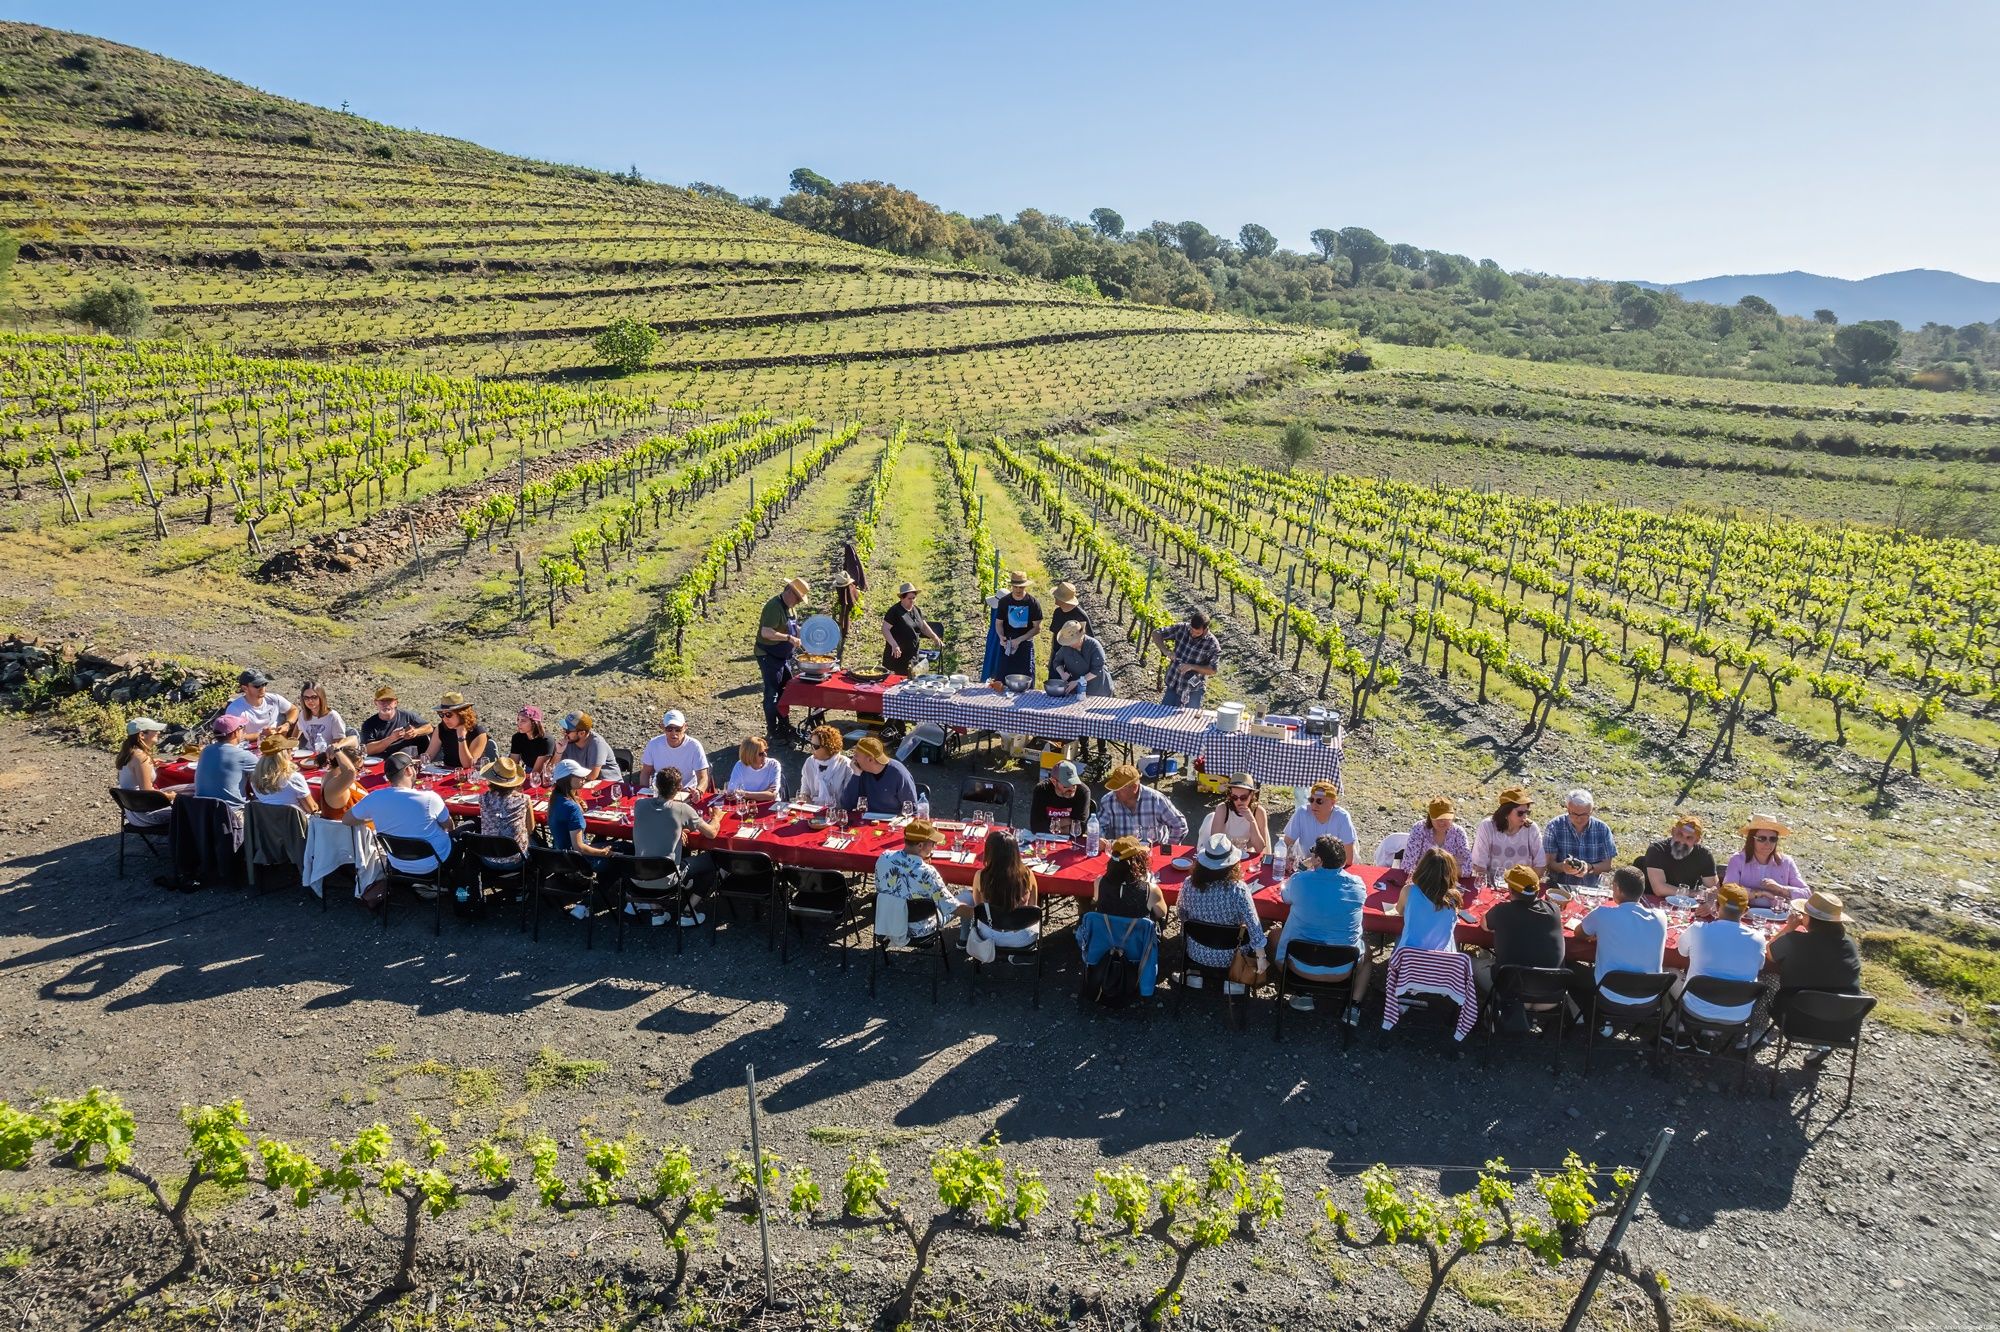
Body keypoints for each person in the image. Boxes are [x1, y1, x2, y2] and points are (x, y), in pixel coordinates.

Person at [1275, 835, 1371, 1018]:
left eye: (1313, 853)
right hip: (1343, 969)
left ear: (1318, 859)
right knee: (1368, 952)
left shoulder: (1300, 880)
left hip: (1300, 964)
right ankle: (1354, 1007)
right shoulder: (1358, 885)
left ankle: (1299, 991)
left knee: (1274, 936)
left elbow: (1285, 896)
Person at [1769, 891, 1863, 1065]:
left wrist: (1789, 928)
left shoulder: (1794, 940)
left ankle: (1757, 1031)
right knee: (1825, 993)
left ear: (1809, 918)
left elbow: (1770, 953)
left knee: (1771, 980)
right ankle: (1821, 1046)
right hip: (1842, 1024)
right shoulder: (1849, 944)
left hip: (1796, 1021)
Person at [631, 765, 722, 926]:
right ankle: (688, 912)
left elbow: (656, 823)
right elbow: (712, 833)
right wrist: (717, 817)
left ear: (656, 785)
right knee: (713, 860)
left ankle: (656, 910)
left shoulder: (640, 805)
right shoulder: (682, 809)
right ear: (680, 788)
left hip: (638, 878)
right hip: (667, 880)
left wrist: (679, 829)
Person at [349, 751, 456, 884]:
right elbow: (450, 827)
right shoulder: (429, 798)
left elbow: (347, 819)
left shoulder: (375, 797)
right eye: (414, 766)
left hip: (398, 864)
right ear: (408, 770)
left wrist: (375, 816)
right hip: (433, 865)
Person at [1178, 834, 1267, 993]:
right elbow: (1254, 926)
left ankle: (1196, 975)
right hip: (1231, 957)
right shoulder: (1238, 889)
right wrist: (1261, 957)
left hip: (1196, 951)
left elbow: (1181, 914)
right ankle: (1233, 981)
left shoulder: (1188, 884)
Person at [1676, 882, 1767, 1039]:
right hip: (1738, 1013)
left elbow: (1682, 952)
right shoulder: (1759, 939)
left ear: (1716, 906)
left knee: (1669, 970)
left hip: (1697, 1008)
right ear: (1745, 911)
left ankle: (1680, 1030)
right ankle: (1708, 1035)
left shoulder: (1699, 929)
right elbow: (1760, 966)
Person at [1475, 865, 1566, 1009]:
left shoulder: (1502, 911)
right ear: (1538, 890)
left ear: (1510, 890)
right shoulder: (1554, 910)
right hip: (1550, 997)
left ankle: (1491, 1008)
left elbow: (1484, 925)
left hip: (1512, 994)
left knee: (1472, 963)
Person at [1574, 867, 1668, 1003]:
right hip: (1648, 997)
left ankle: (1581, 1016)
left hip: (1609, 994)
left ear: (1616, 888)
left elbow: (1578, 933)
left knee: (1570, 968)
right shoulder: (1661, 917)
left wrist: (1594, 935)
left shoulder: (1603, 914)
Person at [873, 818, 969, 937]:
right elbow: (952, 907)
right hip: (917, 930)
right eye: (933, 843)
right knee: (967, 896)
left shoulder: (884, 857)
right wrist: (983, 914)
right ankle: (967, 939)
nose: (935, 846)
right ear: (920, 845)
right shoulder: (927, 872)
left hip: (887, 924)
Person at [968, 828, 1041, 950]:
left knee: (966, 895)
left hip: (990, 936)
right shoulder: (1028, 874)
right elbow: (1032, 908)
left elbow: (979, 908)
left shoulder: (981, 876)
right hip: (1023, 936)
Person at [755, 576, 809, 737]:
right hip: (768, 655)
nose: (799, 602)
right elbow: (766, 632)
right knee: (772, 693)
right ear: (790, 592)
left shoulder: (791, 607)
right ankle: (773, 731)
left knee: (785, 690)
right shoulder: (774, 607)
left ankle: (784, 725)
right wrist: (788, 638)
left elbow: (793, 627)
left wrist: (805, 635)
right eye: (798, 598)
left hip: (782, 657)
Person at [1396, 849, 1477, 953]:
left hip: (1410, 959)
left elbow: (1399, 910)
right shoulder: (1454, 898)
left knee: (1399, 938)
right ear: (1450, 873)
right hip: (1442, 961)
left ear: (1421, 868)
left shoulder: (1408, 890)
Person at [1722, 814, 1809, 906]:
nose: (1768, 843)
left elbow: (1807, 894)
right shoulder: (1738, 860)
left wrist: (1780, 889)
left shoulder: (1787, 862)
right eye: (1761, 839)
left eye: (1773, 839)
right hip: (1744, 913)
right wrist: (1760, 893)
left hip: (1778, 915)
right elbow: (1727, 890)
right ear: (1751, 840)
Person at [1094, 762, 1189, 843]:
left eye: (1119, 789)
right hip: (1122, 854)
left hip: (1152, 853)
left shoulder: (1156, 800)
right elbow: (1098, 826)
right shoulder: (1108, 801)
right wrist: (1100, 840)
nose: (1115, 792)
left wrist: (1167, 848)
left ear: (1134, 787)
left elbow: (1179, 825)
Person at [1469, 788, 1542, 890]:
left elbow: (1541, 864)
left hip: (1522, 888)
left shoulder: (1531, 829)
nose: (1525, 816)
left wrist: (1524, 888)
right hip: (1492, 886)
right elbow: (1479, 865)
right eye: (1520, 813)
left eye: (1527, 812)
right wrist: (1490, 888)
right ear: (1506, 812)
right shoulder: (1487, 826)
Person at [1545, 789, 1617, 890]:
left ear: (1591, 811)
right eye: (1574, 814)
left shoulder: (1602, 829)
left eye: (1584, 815)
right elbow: (1549, 864)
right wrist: (1563, 867)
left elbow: (1607, 866)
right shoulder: (1554, 826)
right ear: (1567, 809)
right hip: (1559, 887)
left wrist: (1589, 868)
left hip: (1592, 888)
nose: (1579, 819)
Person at [475, 756, 532, 873]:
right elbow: (530, 829)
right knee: (538, 843)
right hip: (516, 860)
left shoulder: (483, 798)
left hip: (488, 859)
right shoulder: (524, 799)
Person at [115, 718, 177, 827]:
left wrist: (150, 765)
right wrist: (171, 796)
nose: (158, 732)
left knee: (185, 793)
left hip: (132, 812)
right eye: (155, 730)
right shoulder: (141, 757)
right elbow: (148, 793)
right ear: (142, 735)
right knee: (193, 810)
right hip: (145, 815)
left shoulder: (129, 753)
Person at [1282, 780, 1358, 868]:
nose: (1314, 805)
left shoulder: (1342, 817)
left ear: (1333, 802)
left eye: (1319, 801)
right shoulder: (1302, 813)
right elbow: (1286, 844)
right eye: (1311, 800)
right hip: (1306, 864)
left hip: (1335, 867)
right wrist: (1286, 858)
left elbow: (1348, 859)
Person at [1153, 611, 1220, 709]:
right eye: (1191, 630)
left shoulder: (1212, 645)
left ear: (1205, 629)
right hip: (1173, 683)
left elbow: (1213, 670)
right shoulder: (1182, 628)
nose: (1193, 634)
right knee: (1163, 715)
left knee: (1188, 720)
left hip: (1193, 689)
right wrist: (1166, 651)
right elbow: (1156, 633)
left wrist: (1192, 667)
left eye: (1197, 632)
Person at [1640, 814, 1719, 897]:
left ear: (1697, 840)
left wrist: (1709, 899)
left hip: (1686, 905)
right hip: (1653, 902)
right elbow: (1659, 889)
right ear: (1673, 831)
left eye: (1689, 838)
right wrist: (1695, 893)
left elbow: (1714, 890)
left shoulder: (1704, 855)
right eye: (1680, 834)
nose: (1682, 841)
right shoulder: (1657, 849)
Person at [1095, 835, 1167, 923]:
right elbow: (1162, 913)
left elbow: (1099, 902)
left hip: (1106, 935)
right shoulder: (1151, 890)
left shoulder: (1099, 882)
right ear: (1138, 862)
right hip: (1137, 936)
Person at [192, 714, 257, 808]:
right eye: (242, 727)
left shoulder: (206, 751)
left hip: (203, 812)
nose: (244, 731)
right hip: (231, 813)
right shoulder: (243, 756)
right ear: (235, 733)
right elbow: (267, 771)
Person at [880, 582, 944, 676]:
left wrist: (934, 637)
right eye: (909, 598)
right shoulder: (894, 611)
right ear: (902, 598)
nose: (912, 601)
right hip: (897, 656)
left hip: (913, 654)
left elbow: (923, 626)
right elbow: (885, 629)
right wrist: (894, 644)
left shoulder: (916, 610)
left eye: (914, 598)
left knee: (912, 681)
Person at [1200, 774, 1270, 859]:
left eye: (1243, 797)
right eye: (1234, 797)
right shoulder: (1223, 809)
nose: (1238, 801)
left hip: (1246, 856)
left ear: (1251, 795)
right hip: (1224, 856)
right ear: (1230, 795)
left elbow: (1260, 848)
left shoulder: (1258, 812)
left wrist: (1252, 821)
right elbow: (1215, 844)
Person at [989, 572, 1043, 682]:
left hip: (1025, 645)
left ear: (1025, 586)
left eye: (1021, 587)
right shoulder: (1004, 602)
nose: (1018, 590)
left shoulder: (1033, 603)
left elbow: (1037, 628)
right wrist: (1001, 636)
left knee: (1025, 678)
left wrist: (1019, 640)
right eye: (1015, 587)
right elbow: (999, 623)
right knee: (1002, 678)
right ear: (1011, 586)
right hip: (1007, 645)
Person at [845, 736, 919, 816]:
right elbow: (846, 805)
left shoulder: (898, 774)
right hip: (868, 821)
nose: (853, 759)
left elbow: (912, 810)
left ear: (870, 759)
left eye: (856, 755)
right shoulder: (861, 771)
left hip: (893, 823)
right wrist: (856, 775)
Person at [639, 711, 708, 792]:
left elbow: (703, 777)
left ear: (685, 727)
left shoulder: (694, 746)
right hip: (660, 792)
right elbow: (645, 773)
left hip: (686, 792)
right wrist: (644, 792)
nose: (673, 733)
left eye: (678, 729)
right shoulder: (653, 744)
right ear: (663, 727)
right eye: (669, 729)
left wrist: (698, 791)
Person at [251, 732, 318, 812]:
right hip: (294, 823)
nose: (292, 753)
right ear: (285, 753)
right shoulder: (294, 778)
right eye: (290, 750)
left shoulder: (255, 778)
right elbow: (312, 809)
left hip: (267, 823)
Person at [359, 686, 432, 759]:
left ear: (395, 703)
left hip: (408, 759)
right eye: (382, 701)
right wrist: (391, 739)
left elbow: (429, 727)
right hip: (381, 761)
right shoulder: (369, 724)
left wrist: (415, 732)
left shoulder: (407, 716)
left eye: (389, 701)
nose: (385, 704)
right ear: (375, 703)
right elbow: (367, 750)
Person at [1403, 798, 1471, 875]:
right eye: (1437, 817)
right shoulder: (1419, 829)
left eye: (1446, 817)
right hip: (1423, 882)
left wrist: (1425, 865)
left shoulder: (1459, 832)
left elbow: (1468, 868)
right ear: (1430, 817)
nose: (1442, 821)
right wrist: (1451, 863)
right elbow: (1408, 866)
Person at [223, 669, 297, 739]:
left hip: (275, 742)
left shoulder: (274, 699)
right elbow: (233, 736)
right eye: (257, 686)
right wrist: (261, 735)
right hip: (248, 748)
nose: (262, 688)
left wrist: (287, 724)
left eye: (264, 684)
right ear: (245, 688)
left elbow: (293, 709)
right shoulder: (235, 709)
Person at [1050, 620, 1114, 696]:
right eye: (1068, 642)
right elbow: (1057, 662)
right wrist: (1062, 673)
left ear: (1081, 636)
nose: (1070, 645)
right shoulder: (1066, 647)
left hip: (1099, 689)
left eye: (1073, 641)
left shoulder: (1094, 645)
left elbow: (1096, 670)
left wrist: (1077, 682)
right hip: (1078, 690)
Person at [427, 695, 489, 772]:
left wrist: (461, 737)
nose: (444, 719)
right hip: (446, 772)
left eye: (448, 714)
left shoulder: (478, 732)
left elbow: (468, 765)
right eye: (441, 715)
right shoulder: (441, 728)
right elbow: (428, 756)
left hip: (470, 776)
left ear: (462, 714)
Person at [1029, 760, 1091, 836]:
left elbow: (1080, 828)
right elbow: (1036, 827)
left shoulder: (1083, 792)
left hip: (1071, 842)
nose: (1072, 788)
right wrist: (1069, 821)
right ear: (1054, 781)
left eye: (1075, 783)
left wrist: (1053, 826)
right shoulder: (1042, 790)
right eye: (1066, 785)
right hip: (1046, 839)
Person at [797, 726, 854, 808]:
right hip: (813, 812)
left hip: (836, 813)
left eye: (815, 746)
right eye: (811, 745)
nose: (812, 750)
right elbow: (805, 792)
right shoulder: (809, 762)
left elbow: (848, 800)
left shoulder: (846, 766)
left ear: (828, 747)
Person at [555, 711, 620, 782]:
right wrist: (559, 752)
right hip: (584, 783)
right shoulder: (569, 741)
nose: (564, 733)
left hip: (610, 786)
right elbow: (556, 769)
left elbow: (593, 775)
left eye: (567, 731)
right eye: (563, 729)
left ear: (582, 733)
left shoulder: (597, 743)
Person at [316, 738, 367, 821]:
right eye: (359, 768)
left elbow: (354, 739)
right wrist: (337, 751)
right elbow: (350, 772)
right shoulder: (335, 785)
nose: (360, 771)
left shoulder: (334, 775)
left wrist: (337, 746)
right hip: (349, 832)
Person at [724, 736, 784, 803]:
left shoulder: (773, 765)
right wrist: (764, 794)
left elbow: (773, 795)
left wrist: (743, 794)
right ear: (751, 755)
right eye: (761, 753)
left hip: (770, 805)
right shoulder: (740, 766)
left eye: (766, 750)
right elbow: (731, 792)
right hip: (747, 805)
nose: (765, 755)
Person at [296, 682, 346, 751]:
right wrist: (292, 744)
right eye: (306, 698)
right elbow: (298, 727)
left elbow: (340, 740)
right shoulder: (302, 714)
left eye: (314, 697)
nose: (310, 700)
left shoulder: (332, 716)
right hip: (308, 753)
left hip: (328, 755)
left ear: (321, 697)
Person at [509, 705, 553, 778]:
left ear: (534, 723)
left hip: (546, 774)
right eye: (518, 720)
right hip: (527, 770)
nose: (518, 723)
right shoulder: (517, 737)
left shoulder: (546, 741)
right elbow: (513, 765)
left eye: (523, 721)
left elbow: (536, 773)